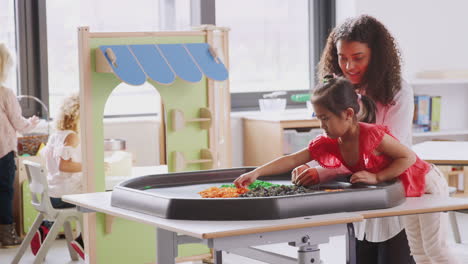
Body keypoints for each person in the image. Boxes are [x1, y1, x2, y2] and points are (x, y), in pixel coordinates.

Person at [234, 77, 458, 264]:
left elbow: (408, 157)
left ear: (348, 114)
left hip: (427, 184)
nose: (321, 125)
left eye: (325, 118)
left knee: (436, 250)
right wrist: (257, 172)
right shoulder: (330, 141)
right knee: (419, 252)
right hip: (407, 191)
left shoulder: (371, 134)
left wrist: (377, 176)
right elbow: (293, 158)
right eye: (318, 118)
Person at [291, 15, 415, 263]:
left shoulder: (398, 91)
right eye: (342, 57)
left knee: (394, 257)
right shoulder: (341, 91)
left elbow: (380, 155)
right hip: (360, 189)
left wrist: (323, 172)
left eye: (358, 58)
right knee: (360, 256)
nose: (348, 66)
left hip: (394, 186)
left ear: (376, 56)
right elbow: (332, 140)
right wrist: (315, 166)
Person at [30, 93, 85, 260]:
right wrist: (90, 166)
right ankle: (83, 241)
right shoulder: (72, 137)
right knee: (98, 201)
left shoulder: (56, 135)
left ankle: (45, 226)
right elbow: (64, 165)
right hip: (66, 196)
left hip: (53, 195)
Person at [0, 43, 40, 247]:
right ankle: (6, 234)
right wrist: (31, 123)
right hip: (3, 152)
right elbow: (18, 124)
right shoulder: (5, 93)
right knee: (5, 191)